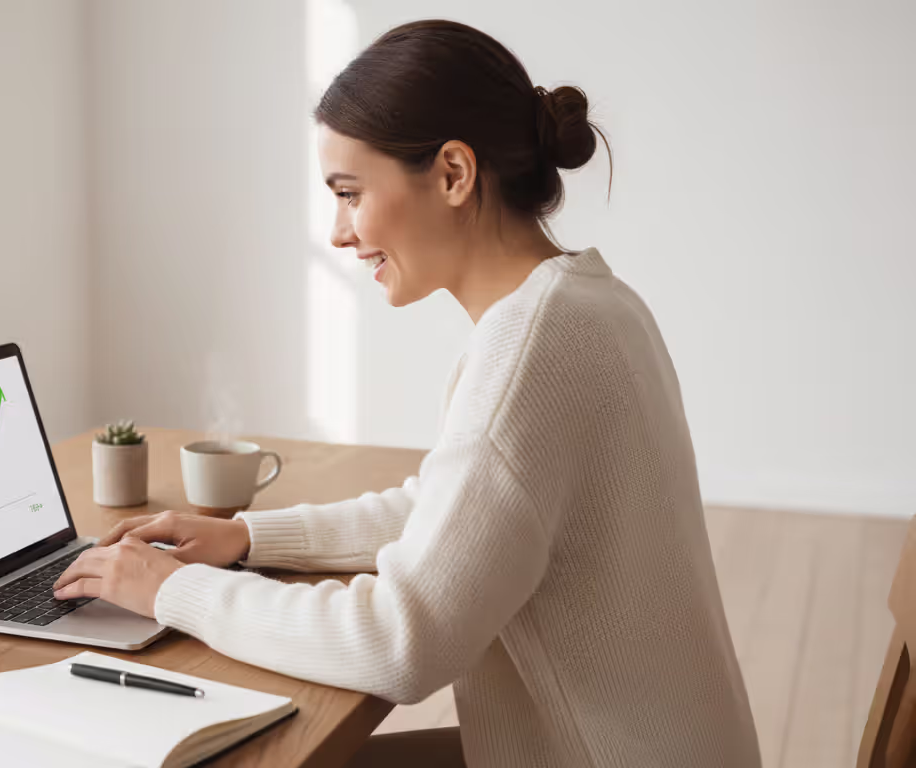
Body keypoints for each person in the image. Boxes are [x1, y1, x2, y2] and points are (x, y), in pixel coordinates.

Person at [55, 18, 760, 767]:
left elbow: (400, 645)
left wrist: (175, 591)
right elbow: (448, 509)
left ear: (454, 173)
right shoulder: (588, 302)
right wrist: (252, 539)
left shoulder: (530, 347)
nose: (338, 232)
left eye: (351, 193)